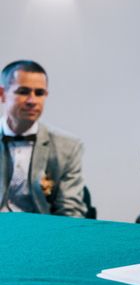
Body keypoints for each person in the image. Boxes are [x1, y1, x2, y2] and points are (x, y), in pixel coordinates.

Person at [0, 60, 86, 216]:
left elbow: (70, 210)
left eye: (39, 93)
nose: (32, 101)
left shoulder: (68, 147)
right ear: (2, 94)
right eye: (23, 91)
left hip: (41, 235)